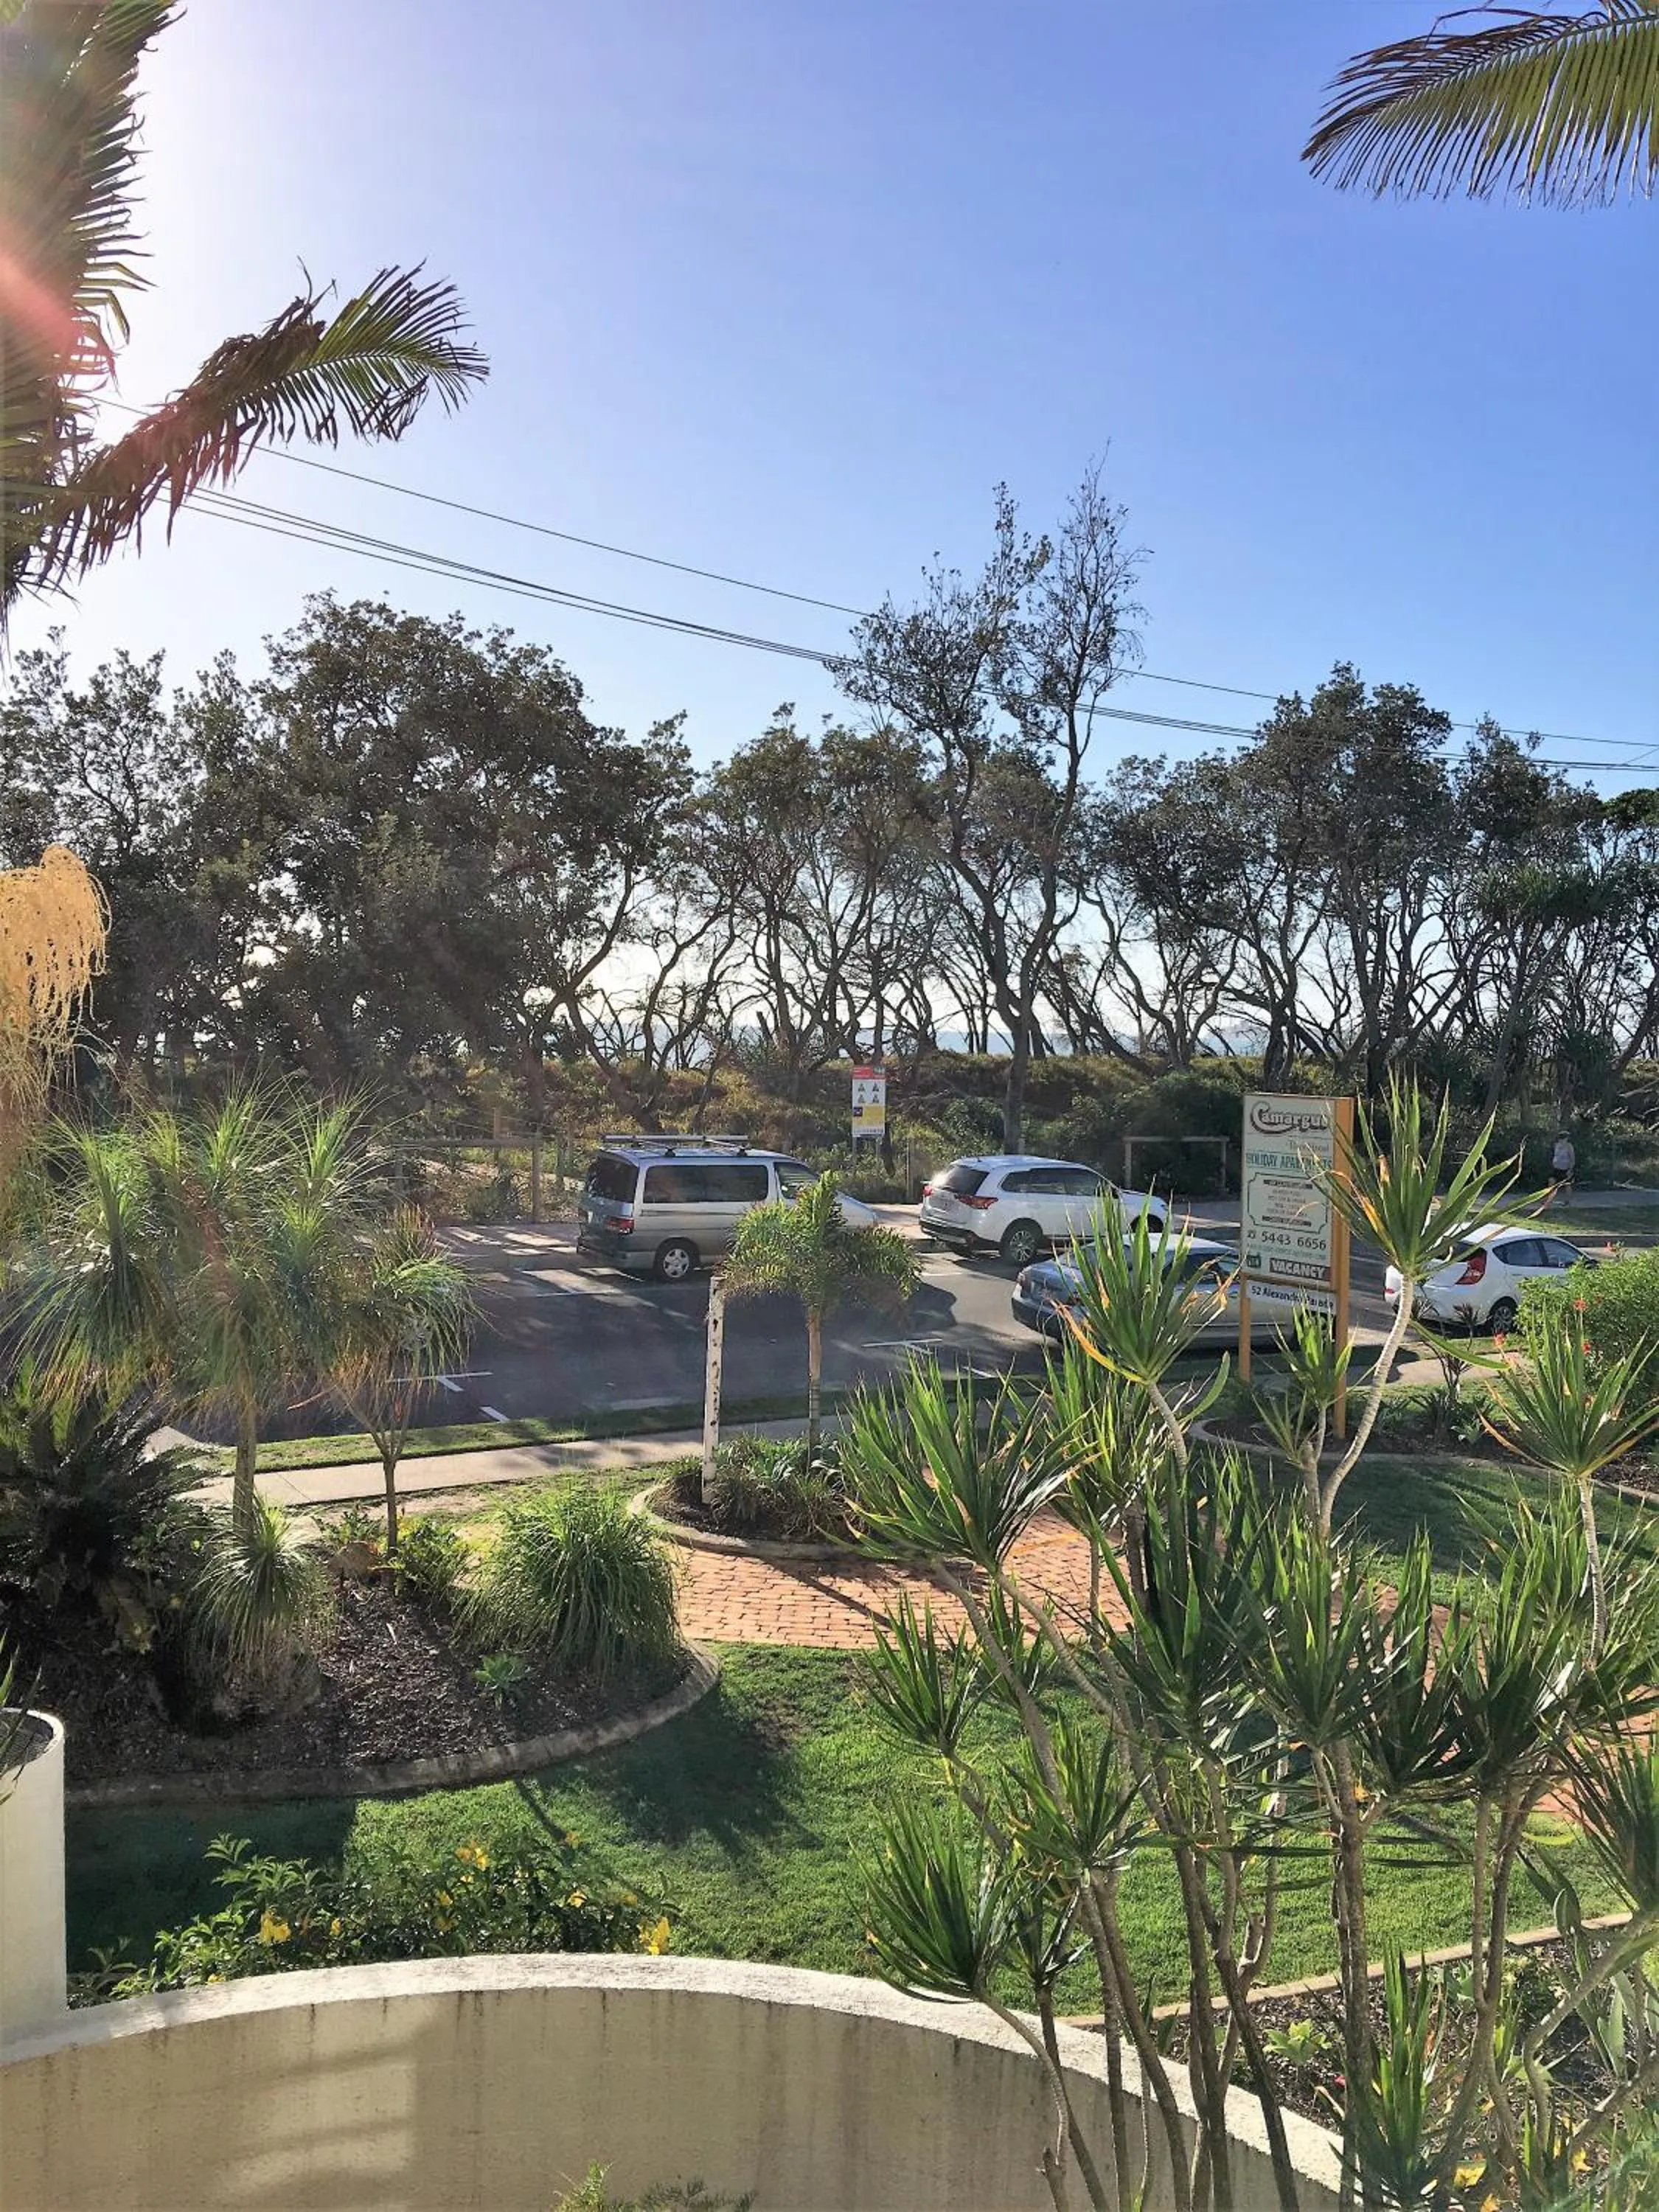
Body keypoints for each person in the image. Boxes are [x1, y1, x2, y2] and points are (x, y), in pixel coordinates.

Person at [1550, 1130, 1576, 1200]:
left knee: (1567, 1185)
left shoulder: (1569, 1146)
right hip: (1556, 1168)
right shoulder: (1556, 1145)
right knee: (1551, 1181)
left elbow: (1572, 1159)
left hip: (1565, 1169)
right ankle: (1550, 1198)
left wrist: (1570, 1169)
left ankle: (1568, 1200)